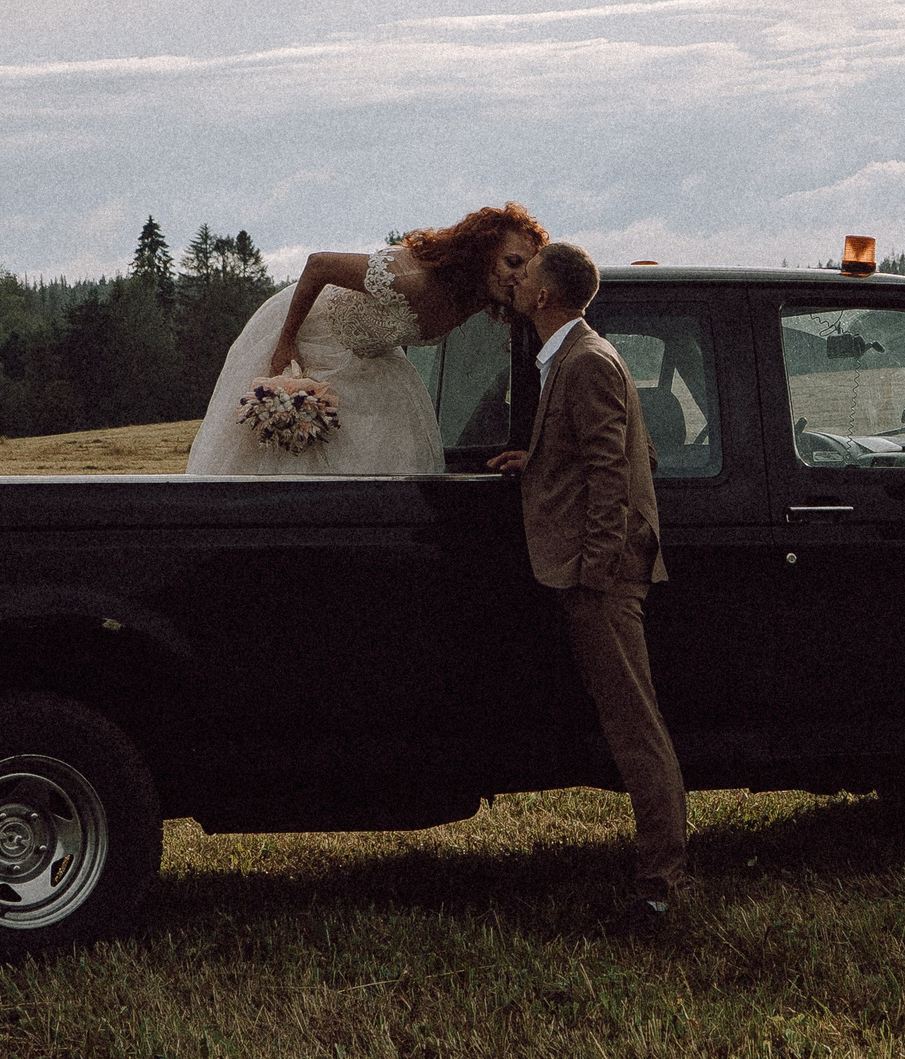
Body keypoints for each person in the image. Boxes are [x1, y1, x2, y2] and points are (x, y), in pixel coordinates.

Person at [484, 241, 690, 933]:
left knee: (636, 729)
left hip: (600, 577)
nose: (515, 281)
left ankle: (660, 885)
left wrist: (596, 573)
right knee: (631, 721)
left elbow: (617, 472)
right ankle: (660, 874)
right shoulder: (573, 355)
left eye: (525, 274)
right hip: (592, 568)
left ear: (546, 295)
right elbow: (635, 449)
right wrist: (540, 460)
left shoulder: (587, 361)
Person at [185, 204, 546, 476]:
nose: (517, 277)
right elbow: (318, 266)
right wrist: (286, 342)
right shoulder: (412, 279)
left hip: (372, 358)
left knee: (390, 451)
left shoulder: (476, 299)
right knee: (291, 447)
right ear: (481, 252)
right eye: (511, 262)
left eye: (526, 270)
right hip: (312, 335)